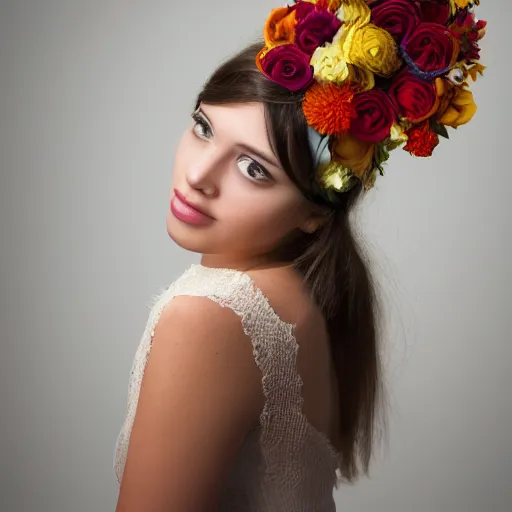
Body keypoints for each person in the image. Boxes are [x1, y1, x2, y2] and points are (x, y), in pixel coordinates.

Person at [113, 1, 486, 510]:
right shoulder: (301, 297)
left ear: (315, 213)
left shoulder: (209, 316)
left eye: (253, 169)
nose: (199, 176)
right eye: (204, 128)